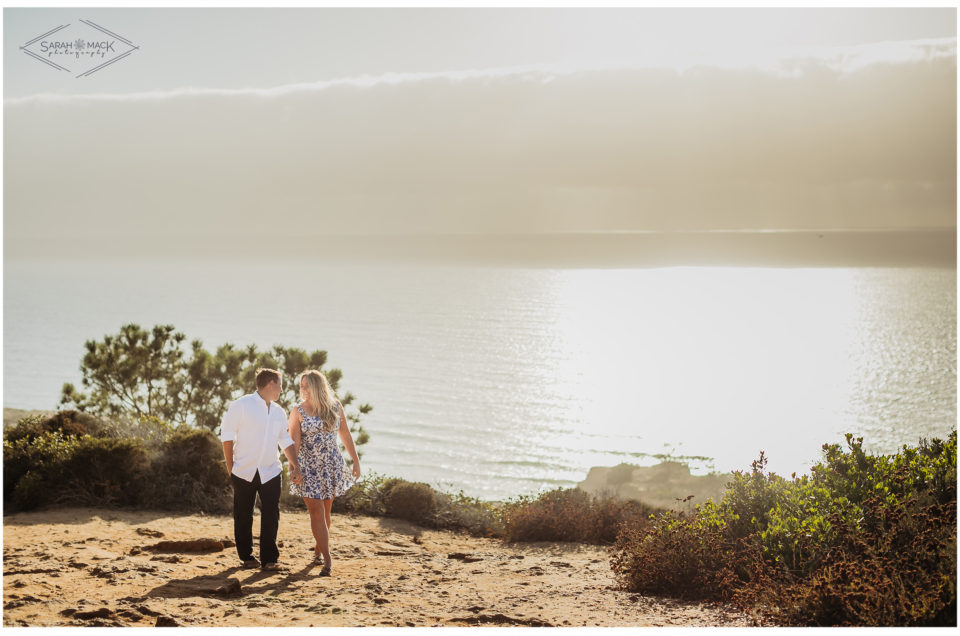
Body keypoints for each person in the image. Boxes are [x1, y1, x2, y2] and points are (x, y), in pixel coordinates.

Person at [220, 367, 303, 571]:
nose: (281, 390)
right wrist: (231, 467)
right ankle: (247, 556)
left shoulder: (278, 411)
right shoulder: (241, 405)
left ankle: (269, 559)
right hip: (244, 470)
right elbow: (227, 435)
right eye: (280, 386)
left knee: (271, 514)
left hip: (271, 471)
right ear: (270, 384)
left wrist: (295, 465)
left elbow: (284, 440)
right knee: (243, 514)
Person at [289, 369, 362, 576]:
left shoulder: (335, 406)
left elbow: (345, 435)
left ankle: (319, 548)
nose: (303, 390)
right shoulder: (298, 411)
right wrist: (294, 467)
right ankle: (328, 559)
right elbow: (293, 442)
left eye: (306, 386)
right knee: (316, 512)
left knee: (326, 512)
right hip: (308, 467)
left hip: (331, 465)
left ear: (317, 387)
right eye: (301, 386)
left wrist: (355, 461)